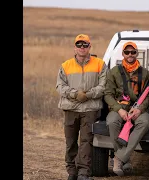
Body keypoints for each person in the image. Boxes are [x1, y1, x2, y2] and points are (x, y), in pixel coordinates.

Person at [56, 34, 107, 180]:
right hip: (70, 109)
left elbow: (103, 86)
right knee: (70, 142)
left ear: (90, 47)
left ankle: (84, 173)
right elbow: (60, 86)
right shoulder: (65, 65)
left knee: (86, 142)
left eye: (85, 45)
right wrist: (75, 94)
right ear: (74, 47)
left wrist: (89, 94)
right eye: (79, 45)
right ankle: (72, 172)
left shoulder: (100, 64)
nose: (82, 47)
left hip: (90, 109)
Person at [104, 41, 149, 176]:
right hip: (120, 107)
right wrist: (119, 109)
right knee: (112, 122)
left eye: (133, 52)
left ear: (137, 53)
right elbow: (108, 94)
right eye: (127, 52)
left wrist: (139, 109)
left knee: (145, 122)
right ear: (123, 54)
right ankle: (126, 158)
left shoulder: (145, 73)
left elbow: (148, 96)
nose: (130, 55)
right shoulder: (114, 72)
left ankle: (119, 158)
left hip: (137, 108)